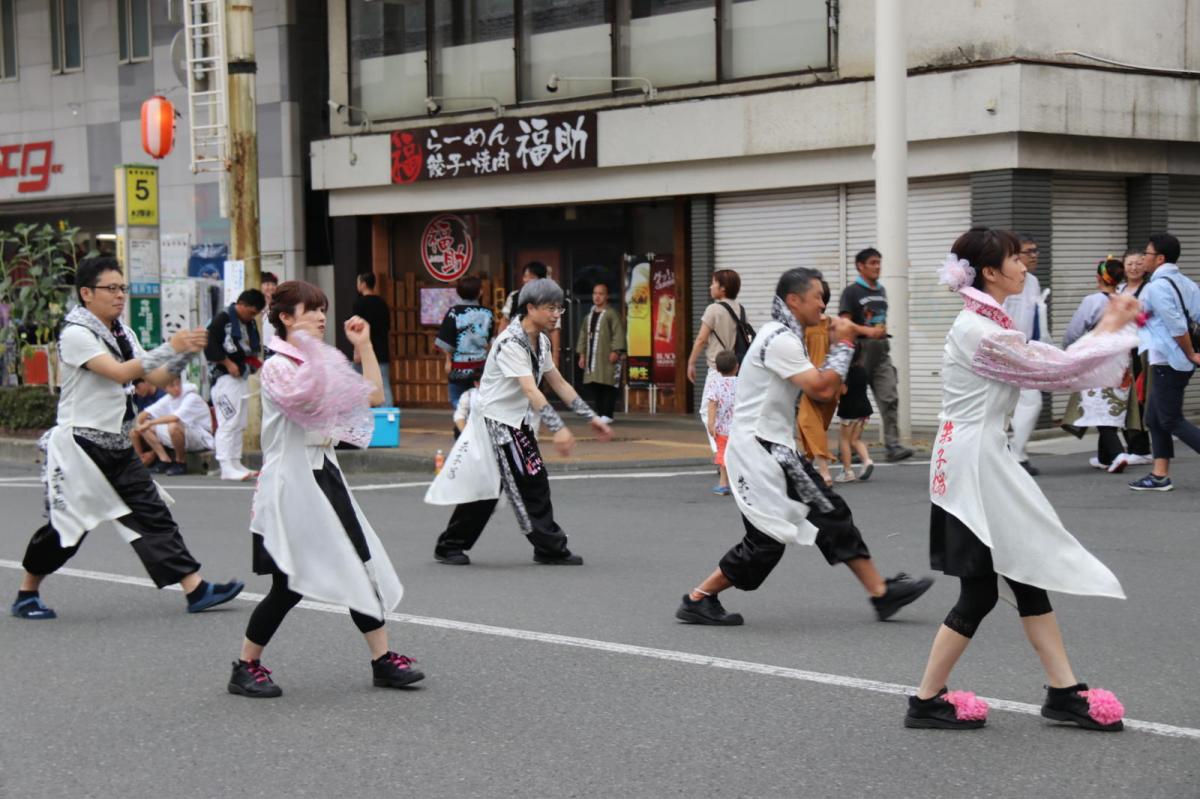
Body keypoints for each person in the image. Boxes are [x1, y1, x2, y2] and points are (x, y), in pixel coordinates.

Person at [905, 228, 1136, 732]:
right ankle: (925, 699)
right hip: (972, 465)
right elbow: (1055, 370)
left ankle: (1063, 690)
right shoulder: (978, 330)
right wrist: (1112, 328)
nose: (1025, 265)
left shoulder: (987, 322)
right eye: (1016, 258)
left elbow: (1050, 367)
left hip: (981, 457)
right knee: (980, 590)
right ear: (989, 272)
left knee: (1025, 572)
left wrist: (1110, 329)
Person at [674, 267, 933, 627]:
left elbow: (828, 331)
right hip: (762, 450)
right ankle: (698, 598)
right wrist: (844, 345)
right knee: (801, 524)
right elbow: (822, 388)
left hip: (768, 449)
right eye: (818, 297)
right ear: (794, 301)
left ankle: (880, 593)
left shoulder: (779, 331)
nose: (824, 303)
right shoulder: (780, 339)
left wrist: (854, 331)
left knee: (812, 520)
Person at [10, 256, 244, 621]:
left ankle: (195, 588)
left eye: (123, 288)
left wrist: (185, 352)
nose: (120, 295)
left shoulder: (123, 332)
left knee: (153, 514)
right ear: (86, 294)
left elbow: (152, 380)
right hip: (81, 447)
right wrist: (171, 345)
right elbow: (118, 371)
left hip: (118, 443)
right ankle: (27, 593)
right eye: (111, 288)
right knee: (68, 527)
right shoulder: (75, 334)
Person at [227, 280, 423, 698]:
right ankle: (245, 665)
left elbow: (373, 396)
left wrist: (364, 347)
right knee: (289, 585)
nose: (320, 317)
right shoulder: (280, 367)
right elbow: (312, 405)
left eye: (322, 310)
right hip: (290, 484)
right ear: (284, 318)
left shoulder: (321, 361)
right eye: (311, 310)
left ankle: (382, 660)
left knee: (360, 564)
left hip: (324, 476)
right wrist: (337, 376)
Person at [426, 279, 613, 566]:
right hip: (496, 424)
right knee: (522, 483)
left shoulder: (541, 339)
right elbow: (530, 388)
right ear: (530, 308)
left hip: (515, 422)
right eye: (550, 308)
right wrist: (559, 428)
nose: (556, 314)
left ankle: (451, 544)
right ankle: (547, 546)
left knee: (505, 484)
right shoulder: (510, 342)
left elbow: (558, 382)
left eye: (559, 308)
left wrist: (592, 418)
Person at [1128, 233, 1200, 492]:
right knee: (1155, 418)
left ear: (1159, 258)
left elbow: (1177, 325)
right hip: (1172, 359)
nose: (1142, 258)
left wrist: (1191, 353)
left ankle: (1160, 475)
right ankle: (1160, 475)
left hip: (1169, 360)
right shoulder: (1185, 283)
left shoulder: (1157, 287)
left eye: (1146, 254)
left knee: (1170, 419)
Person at [838, 249, 913, 463]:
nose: (877, 266)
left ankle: (893, 445)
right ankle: (851, 447)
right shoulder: (851, 292)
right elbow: (844, 324)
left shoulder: (881, 291)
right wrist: (867, 331)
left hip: (881, 351)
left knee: (890, 396)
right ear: (860, 266)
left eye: (879, 262)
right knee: (856, 402)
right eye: (872, 263)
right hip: (860, 352)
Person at [1060, 257, 1134, 471]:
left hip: (1096, 359)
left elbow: (1073, 332)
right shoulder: (1127, 300)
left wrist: (1069, 352)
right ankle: (1105, 457)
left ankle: (1118, 453)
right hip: (1121, 360)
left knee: (1097, 407)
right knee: (1110, 405)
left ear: (1099, 278)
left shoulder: (1092, 301)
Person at [1000, 233, 1048, 476]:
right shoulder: (1005, 281)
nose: (1034, 255)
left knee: (1030, 401)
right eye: (1029, 251)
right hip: (1006, 352)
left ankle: (1016, 453)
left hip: (1025, 352)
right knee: (1005, 405)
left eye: (1036, 250)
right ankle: (1013, 455)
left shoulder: (1033, 282)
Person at [206, 288, 266, 481]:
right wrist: (226, 362)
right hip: (224, 377)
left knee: (239, 422)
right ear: (241, 305)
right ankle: (225, 465)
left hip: (240, 375)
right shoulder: (222, 319)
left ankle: (235, 461)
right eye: (251, 312)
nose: (252, 316)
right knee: (228, 421)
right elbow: (209, 343)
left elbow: (250, 348)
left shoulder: (247, 322)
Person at [686, 269, 746, 451]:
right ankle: (731, 449)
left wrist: (691, 362)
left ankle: (722, 450)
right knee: (731, 411)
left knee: (707, 410)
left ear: (723, 288)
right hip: (736, 369)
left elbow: (702, 339)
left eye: (713, 283)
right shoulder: (740, 309)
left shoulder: (713, 309)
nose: (710, 286)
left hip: (717, 368)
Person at [1114, 249, 1154, 469]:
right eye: (1129, 263)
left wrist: (1132, 319)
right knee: (1121, 395)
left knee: (1137, 398)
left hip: (1140, 350)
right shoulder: (1118, 289)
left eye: (1139, 263)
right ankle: (1132, 445)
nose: (1134, 268)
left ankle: (1141, 448)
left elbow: (1150, 317)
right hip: (1119, 349)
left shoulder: (1149, 289)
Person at [130, 375, 214, 476]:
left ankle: (180, 462)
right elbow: (145, 413)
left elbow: (175, 418)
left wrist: (150, 423)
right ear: (165, 388)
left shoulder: (191, 397)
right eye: (172, 385)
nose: (176, 388)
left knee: (173, 425)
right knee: (144, 426)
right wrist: (139, 425)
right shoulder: (169, 398)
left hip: (202, 437)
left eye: (178, 384)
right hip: (187, 435)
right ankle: (164, 460)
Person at [435, 274, 495, 412]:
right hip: (481, 366)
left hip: (458, 366)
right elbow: (490, 340)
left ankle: (464, 419)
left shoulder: (453, 312)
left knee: (456, 398)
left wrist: (447, 361)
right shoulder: (488, 313)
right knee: (480, 399)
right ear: (480, 292)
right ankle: (474, 420)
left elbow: (446, 340)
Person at [576, 281, 626, 424]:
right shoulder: (589, 316)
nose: (597, 297)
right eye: (595, 293)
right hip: (593, 357)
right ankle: (600, 413)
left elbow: (618, 333)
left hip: (607, 356)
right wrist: (582, 354)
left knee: (608, 384)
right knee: (595, 384)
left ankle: (608, 414)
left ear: (607, 296)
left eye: (600, 294)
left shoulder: (612, 314)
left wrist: (616, 350)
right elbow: (583, 335)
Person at [501, 261, 562, 367]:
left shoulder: (548, 299)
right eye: (525, 276)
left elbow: (555, 330)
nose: (527, 280)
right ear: (530, 308)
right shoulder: (514, 296)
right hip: (515, 349)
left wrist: (555, 357)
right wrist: (500, 342)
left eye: (531, 277)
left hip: (537, 348)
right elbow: (505, 321)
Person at [352, 272, 393, 406]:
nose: (357, 285)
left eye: (358, 282)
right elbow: (387, 326)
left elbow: (357, 328)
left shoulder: (359, 304)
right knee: (384, 385)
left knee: (357, 383)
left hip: (364, 352)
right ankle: (388, 418)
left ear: (363, 284)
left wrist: (357, 351)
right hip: (381, 350)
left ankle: (360, 414)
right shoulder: (382, 303)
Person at [704, 350, 738, 496]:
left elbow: (712, 404)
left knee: (724, 454)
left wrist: (711, 424)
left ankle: (723, 484)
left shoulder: (715, 384)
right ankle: (740, 485)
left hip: (722, 429)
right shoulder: (742, 383)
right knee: (738, 455)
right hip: (739, 428)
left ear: (717, 369)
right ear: (737, 366)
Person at [834, 360, 874, 483]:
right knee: (855, 440)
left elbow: (844, 390)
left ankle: (848, 472)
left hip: (849, 411)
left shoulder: (845, 371)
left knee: (844, 441)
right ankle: (867, 461)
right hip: (864, 410)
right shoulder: (862, 369)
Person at [259, 271, 279, 352]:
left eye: (274, 284)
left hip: (274, 347)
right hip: (259, 347)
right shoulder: (256, 304)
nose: (271, 287)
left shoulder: (279, 303)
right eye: (267, 284)